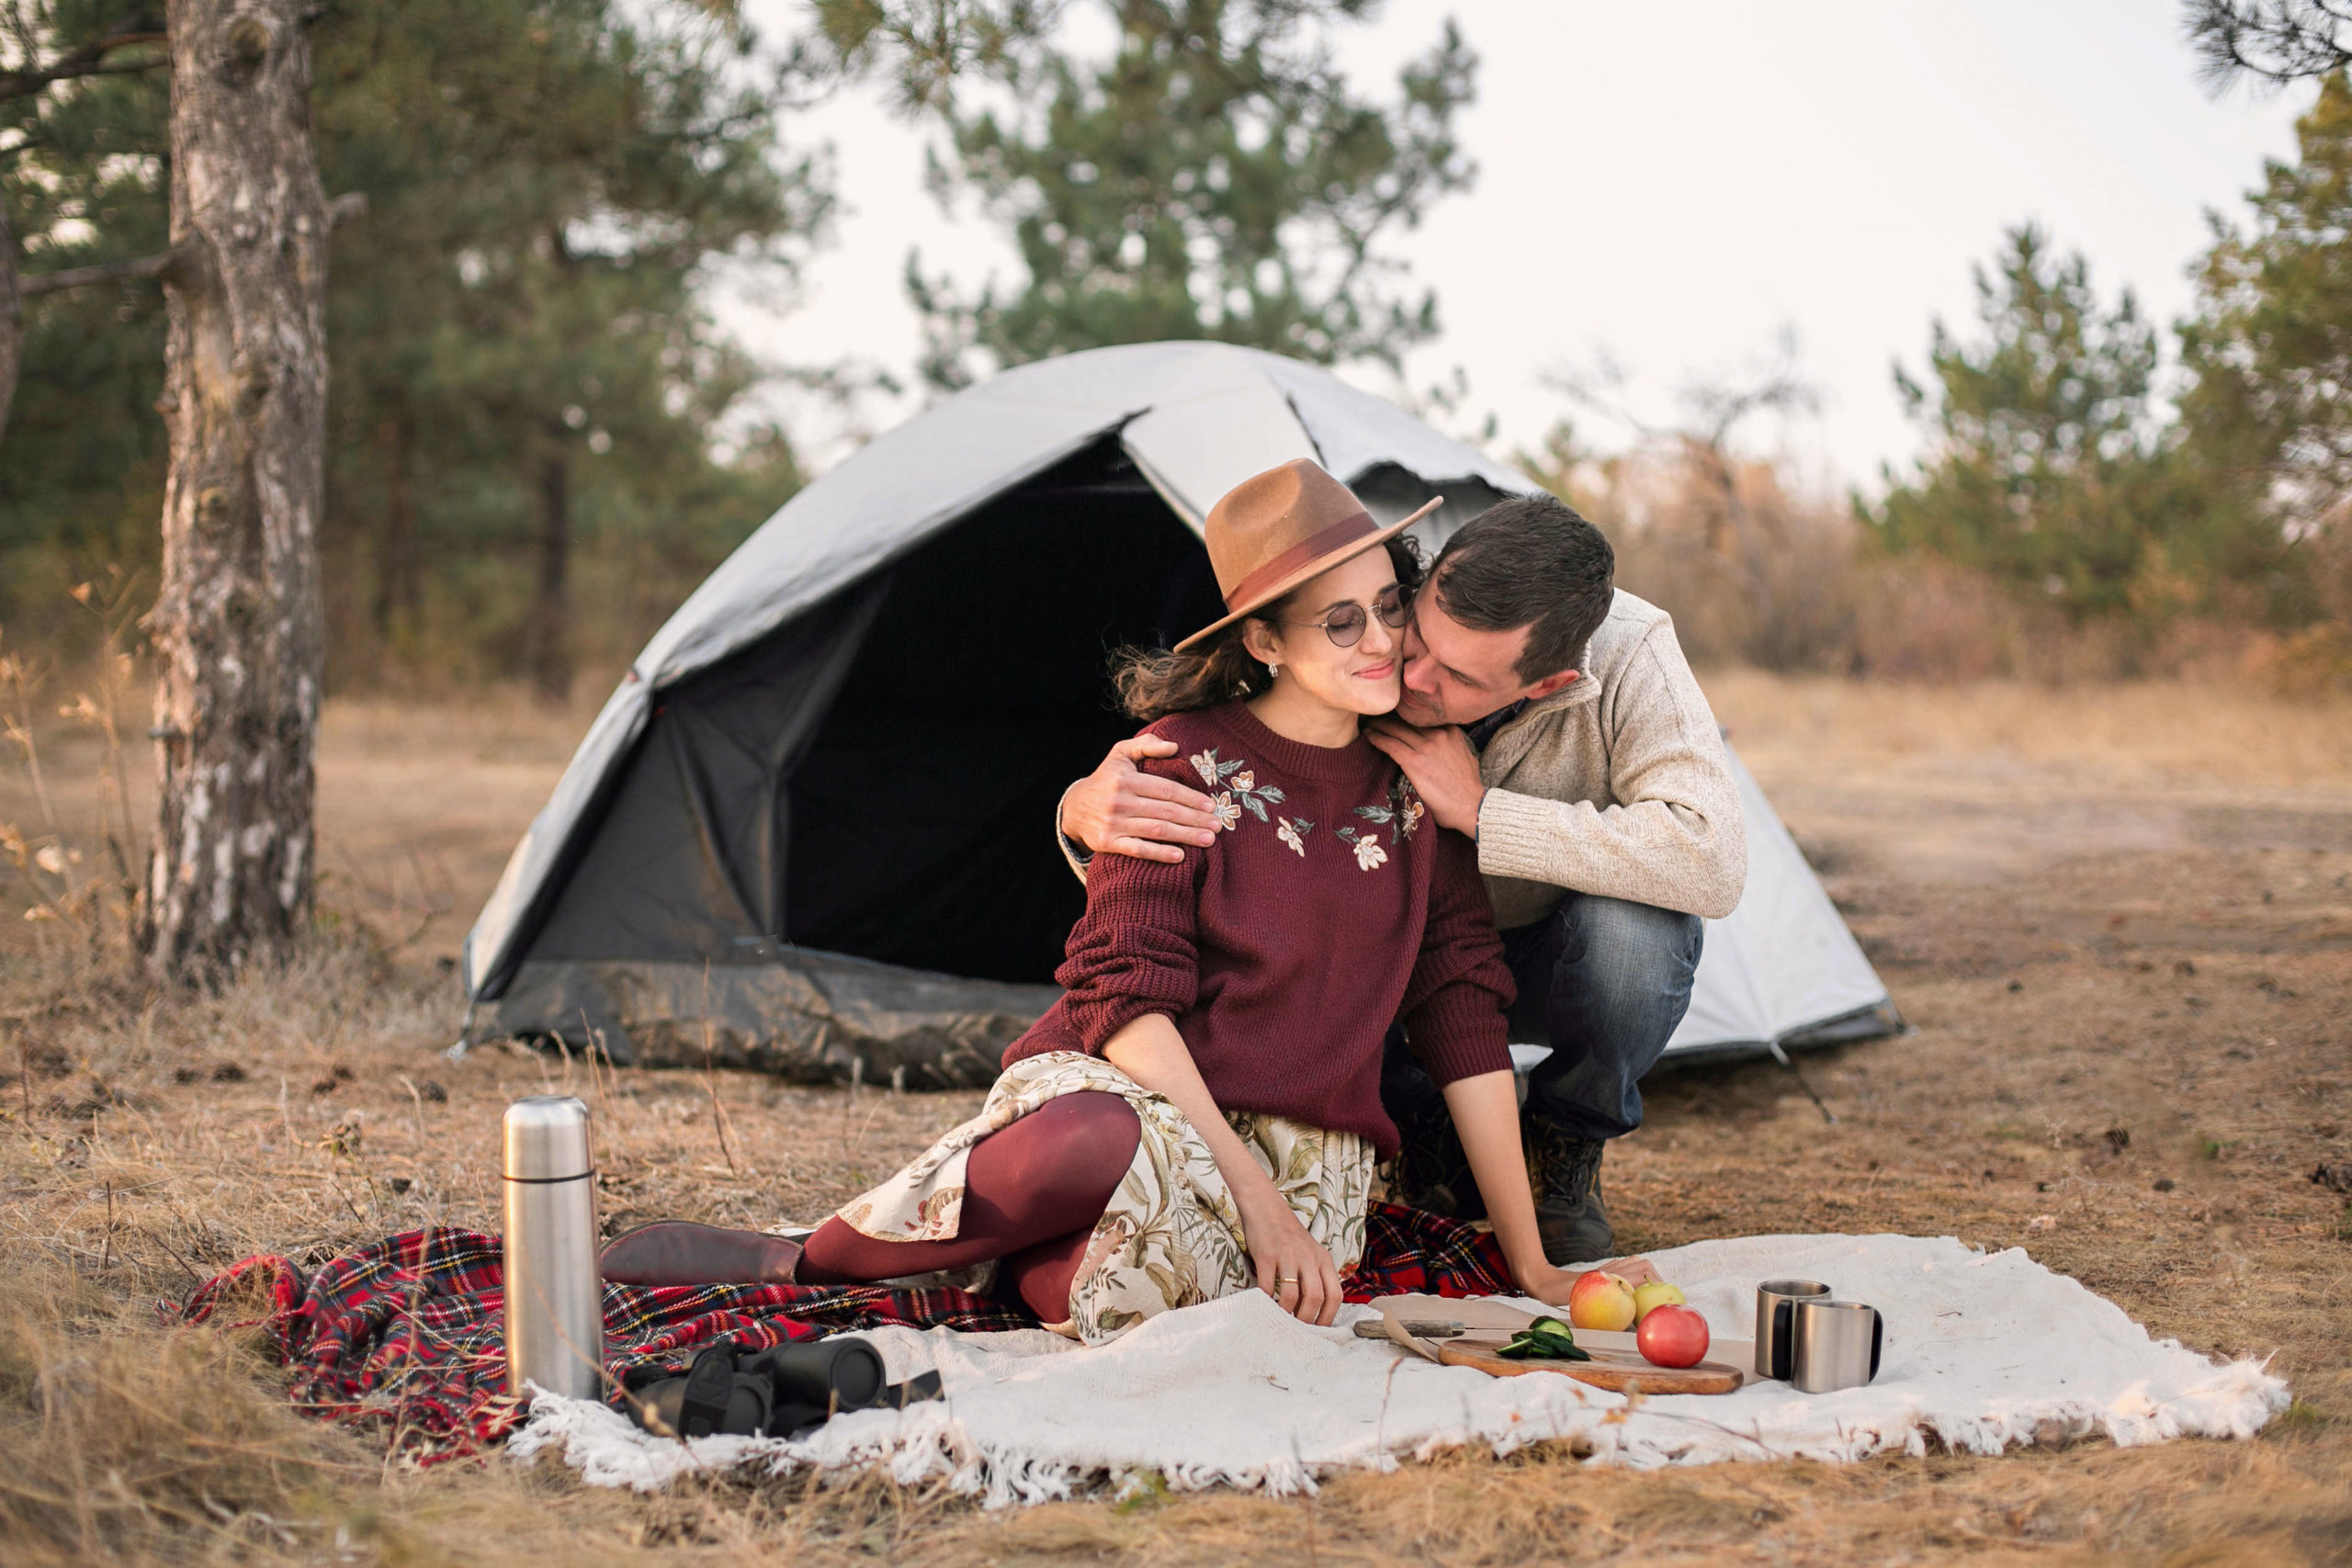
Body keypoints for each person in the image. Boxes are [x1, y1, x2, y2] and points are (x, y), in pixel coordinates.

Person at [601, 461, 1654, 1334]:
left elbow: (1462, 1007)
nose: (1382, 642)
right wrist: (1242, 1190)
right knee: (1095, 1142)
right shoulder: (1176, 765)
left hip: (1314, 1158)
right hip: (1148, 1101)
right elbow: (1124, 1004)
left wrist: (1533, 1260)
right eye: (1339, 623)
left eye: (1387, 606)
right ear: (1264, 640)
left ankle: (1004, 1260)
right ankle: (816, 1258)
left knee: (1118, 1301)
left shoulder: (1425, 786)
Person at [1058, 491, 1746, 1265]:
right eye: (1409, 622)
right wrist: (1077, 810)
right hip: (1367, 959)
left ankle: (1562, 1146)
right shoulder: (1352, 630)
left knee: (1635, 938)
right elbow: (1214, 797)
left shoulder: (1631, 655)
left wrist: (1484, 814)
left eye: (1452, 674)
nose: (1402, 665)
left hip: (1529, 948)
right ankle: (1425, 1130)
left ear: (1546, 683)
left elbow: (1713, 858)